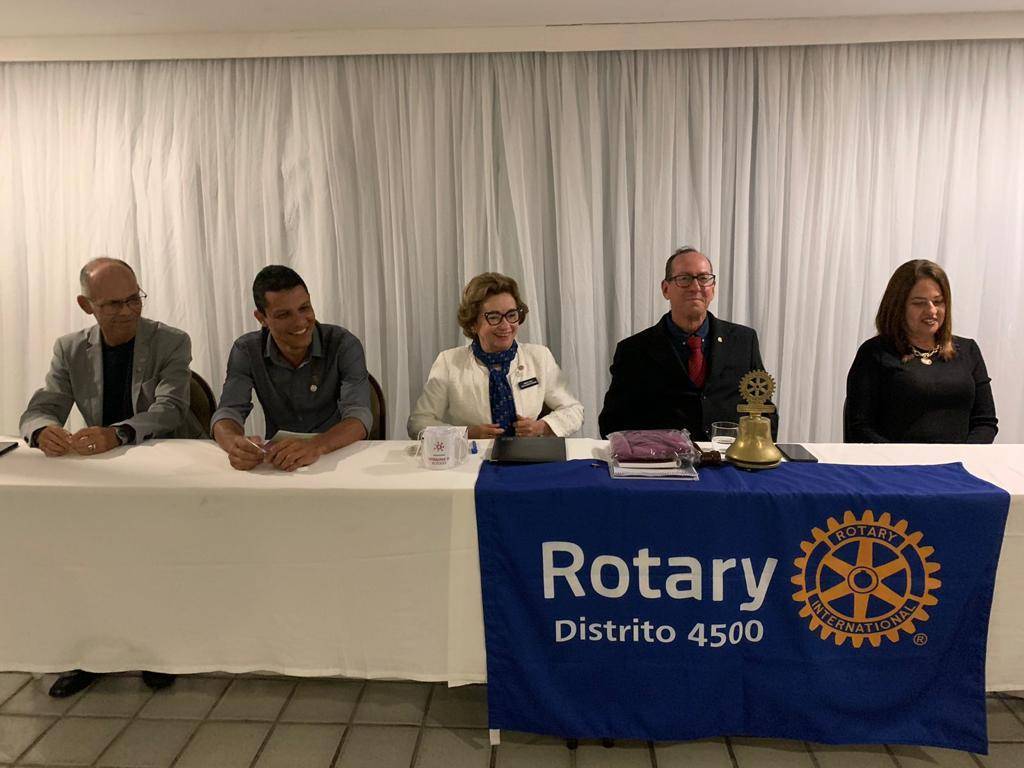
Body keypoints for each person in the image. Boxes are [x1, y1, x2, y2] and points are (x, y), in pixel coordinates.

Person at [19, 256, 191, 697]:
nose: (128, 311)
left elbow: (170, 410)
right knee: (85, 556)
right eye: (114, 304)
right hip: (103, 473)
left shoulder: (171, 341)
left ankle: (158, 650)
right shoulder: (70, 349)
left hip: (163, 468)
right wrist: (42, 431)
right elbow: (43, 406)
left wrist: (119, 433)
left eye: (135, 299)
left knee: (155, 560)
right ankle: (93, 654)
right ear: (86, 305)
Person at [598, 246, 776, 441]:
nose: (695, 287)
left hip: (729, 455)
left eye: (704, 278)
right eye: (684, 278)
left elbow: (764, 408)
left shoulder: (743, 341)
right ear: (666, 289)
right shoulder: (633, 350)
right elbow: (613, 423)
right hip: (663, 457)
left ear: (713, 288)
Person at [212, 265, 372, 471]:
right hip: (279, 462)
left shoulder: (343, 343)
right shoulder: (246, 350)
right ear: (262, 319)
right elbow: (228, 411)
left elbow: (359, 416)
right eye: (283, 315)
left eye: (304, 308)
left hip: (337, 456)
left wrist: (316, 446)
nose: (299, 322)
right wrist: (235, 444)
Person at [407, 272, 583, 439]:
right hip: (470, 456)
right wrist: (466, 434)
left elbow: (574, 410)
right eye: (493, 317)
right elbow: (418, 423)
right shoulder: (449, 362)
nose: (505, 325)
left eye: (511, 315)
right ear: (473, 323)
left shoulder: (539, 357)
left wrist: (541, 427)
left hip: (527, 455)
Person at [844, 259, 997, 443]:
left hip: (961, 460)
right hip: (895, 460)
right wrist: (901, 458)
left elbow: (985, 422)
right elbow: (860, 427)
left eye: (938, 302)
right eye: (919, 303)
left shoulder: (968, 350)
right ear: (897, 306)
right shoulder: (874, 353)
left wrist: (962, 455)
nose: (931, 310)